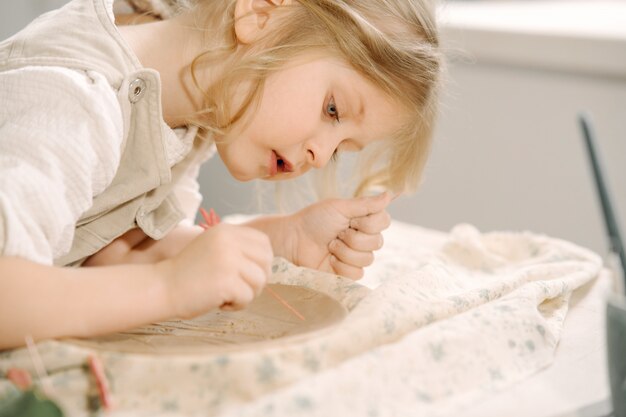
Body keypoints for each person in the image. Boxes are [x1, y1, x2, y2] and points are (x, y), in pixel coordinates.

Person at [0, 0, 441, 349]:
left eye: (343, 149)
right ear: (261, 14)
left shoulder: (187, 113)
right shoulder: (76, 104)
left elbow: (116, 250)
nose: (321, 156)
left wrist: (279, 239)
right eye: (333, 110)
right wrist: (166, 288)